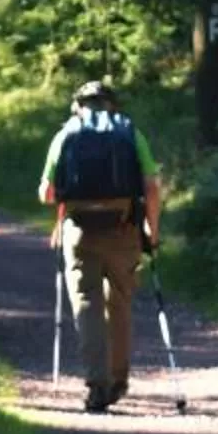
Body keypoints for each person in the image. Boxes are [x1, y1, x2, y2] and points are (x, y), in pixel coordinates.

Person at [37, 77, 162, 412]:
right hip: (124, 229)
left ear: (78, 106)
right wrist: (152, 230)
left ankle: (97, 386)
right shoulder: (130, 134)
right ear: (112, 105)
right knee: (119, 304)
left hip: (79, 233)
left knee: (87, 306)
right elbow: (151, 186)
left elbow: (46, 193)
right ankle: (118, 380)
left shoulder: (65, 135)